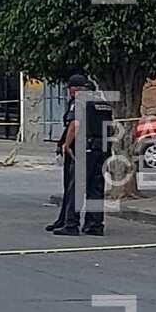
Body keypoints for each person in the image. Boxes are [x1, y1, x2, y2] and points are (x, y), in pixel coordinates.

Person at [49, 74, 111, 236]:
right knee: (96, 188)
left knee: (76, 187)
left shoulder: (80, 101)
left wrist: (66, 144)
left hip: (86, 148)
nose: (69, 92)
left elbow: (75, 124)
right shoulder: (103, 103)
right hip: (102, 149)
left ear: (76, 88)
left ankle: (71, 224)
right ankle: (95, 225)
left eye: (70, 88)